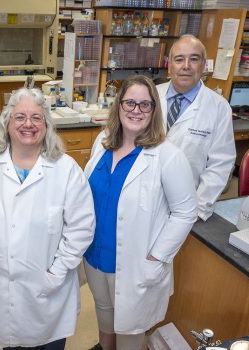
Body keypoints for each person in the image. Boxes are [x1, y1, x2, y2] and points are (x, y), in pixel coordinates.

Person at [0, 88, 95, 349]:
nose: (28, 124)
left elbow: (82, 228)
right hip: (0, 283)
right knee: (9, 343)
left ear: (47, 125)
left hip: (48, 287)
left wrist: (57, 271)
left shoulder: (65, 169)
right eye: (20, 117)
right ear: (7, 122)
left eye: (36, 117)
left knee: (49, 344)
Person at [84, 76, 197, 350]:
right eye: (130, 102)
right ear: (119, 106)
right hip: (95, 258)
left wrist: (157, 257)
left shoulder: (168, 156)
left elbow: (185, 212)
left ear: (154, 110)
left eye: (145, 105)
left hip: (135, 264)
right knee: (105, 317)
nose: (136, 110)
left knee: (130, 334)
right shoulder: (102, 141)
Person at [157, 34, 236, 221]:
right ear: (170, 65)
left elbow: (220, 164)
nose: (186, 66)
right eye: (179, 59)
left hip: (186, 205)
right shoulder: (150, 96)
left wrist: (198, 209)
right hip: (142, 198)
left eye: (194, 59)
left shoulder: (219, 107)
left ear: (204, 66)